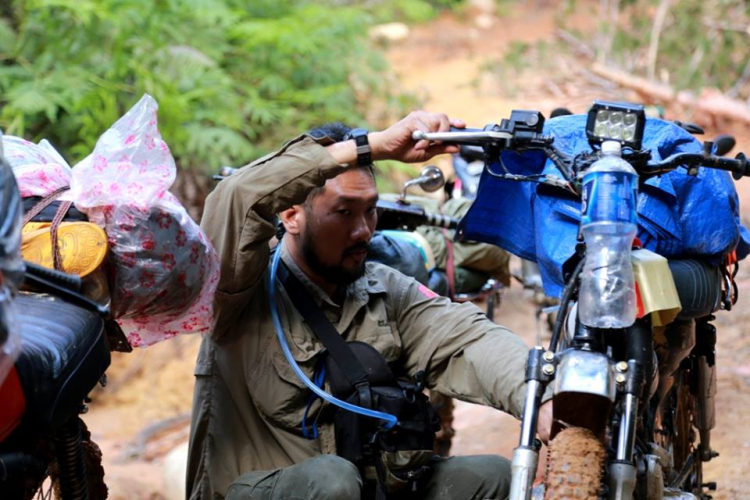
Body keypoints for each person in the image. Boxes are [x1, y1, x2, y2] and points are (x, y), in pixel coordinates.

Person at [187, 111, 552, 500]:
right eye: (344, 212)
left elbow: (468, 341)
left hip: (368, 488)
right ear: (291, 215)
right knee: (333, 481)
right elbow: (236, 196)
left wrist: (543, 396)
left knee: (492, 478)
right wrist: (373, 146)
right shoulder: (238, 290)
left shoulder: (383, 290)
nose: (363, 230)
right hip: (269, 489)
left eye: (370, 210)